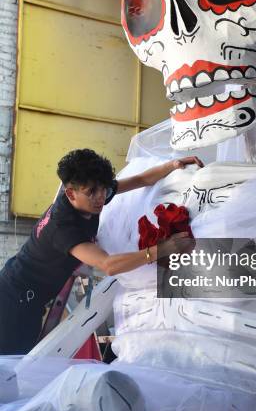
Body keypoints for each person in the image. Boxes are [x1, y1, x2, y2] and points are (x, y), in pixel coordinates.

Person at [0, 148, 201, 355]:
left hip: (27, 293)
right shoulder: (63, 227)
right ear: (71, 193)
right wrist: (163, 249)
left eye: (104, 189)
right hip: (14, 299)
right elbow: (108, 265)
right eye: (92, 192)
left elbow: (141, 179)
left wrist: (172, 166)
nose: (100, 198)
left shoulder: (92, 192)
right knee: (10, 364)